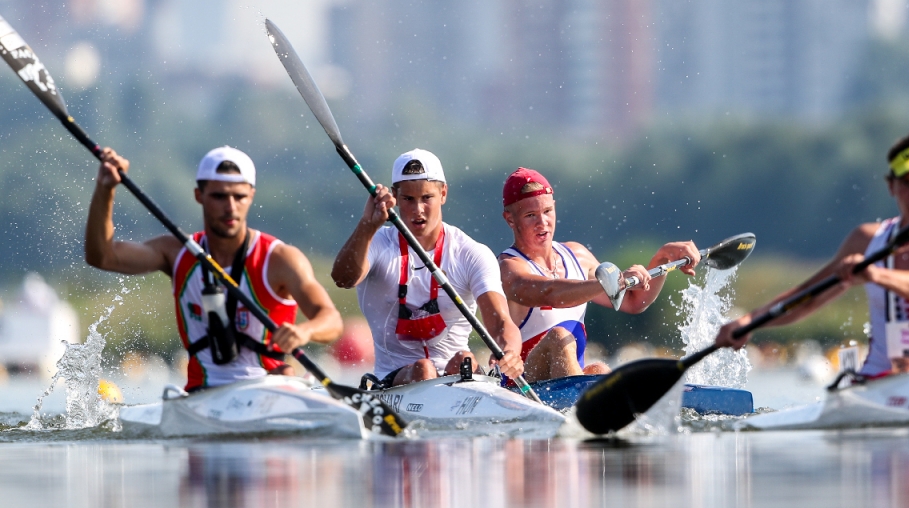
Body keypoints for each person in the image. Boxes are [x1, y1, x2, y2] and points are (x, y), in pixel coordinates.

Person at [714, 133, 909, 375]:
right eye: (907, 183)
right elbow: (809, 296)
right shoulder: (868, 240)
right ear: (891, 185)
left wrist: (877, 274)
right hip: (881, 380)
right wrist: (749, 321)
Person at [85, 146, 343, 392]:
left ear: (251, 195)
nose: (230, 207)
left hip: (270, 389)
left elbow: (331, 320)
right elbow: (103, 257)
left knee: (284, 375)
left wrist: (304, 331)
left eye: (239, 196)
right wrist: (105, 188)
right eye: (219, 196)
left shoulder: (280, 259)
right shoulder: (175, 253)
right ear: (199, 195)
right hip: (202, 395)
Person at [332, 149, 525, 387]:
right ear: (394, 196)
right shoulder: (377, 242)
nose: (418, 210)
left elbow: (500, 322)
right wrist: (366, 226)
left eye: (426, 198)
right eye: (408, 199)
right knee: (424, 369)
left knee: (466, 358)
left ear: (443, 193)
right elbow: (343, 279)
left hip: (459, 372)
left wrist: (510, 352)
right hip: (393, 378)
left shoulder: (470, 253)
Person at [497, 167, 702, 382]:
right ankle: (581, 407)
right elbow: (550, 293)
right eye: (530, 215)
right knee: (559, 337)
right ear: (510, 219)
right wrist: (611, 281)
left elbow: (634, 302)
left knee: (599, 369)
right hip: (522, 385)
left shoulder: (577, 254)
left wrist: (663, 258)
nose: (542, 223)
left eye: (547, 211)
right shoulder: (509, 267)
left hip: (566, 379)